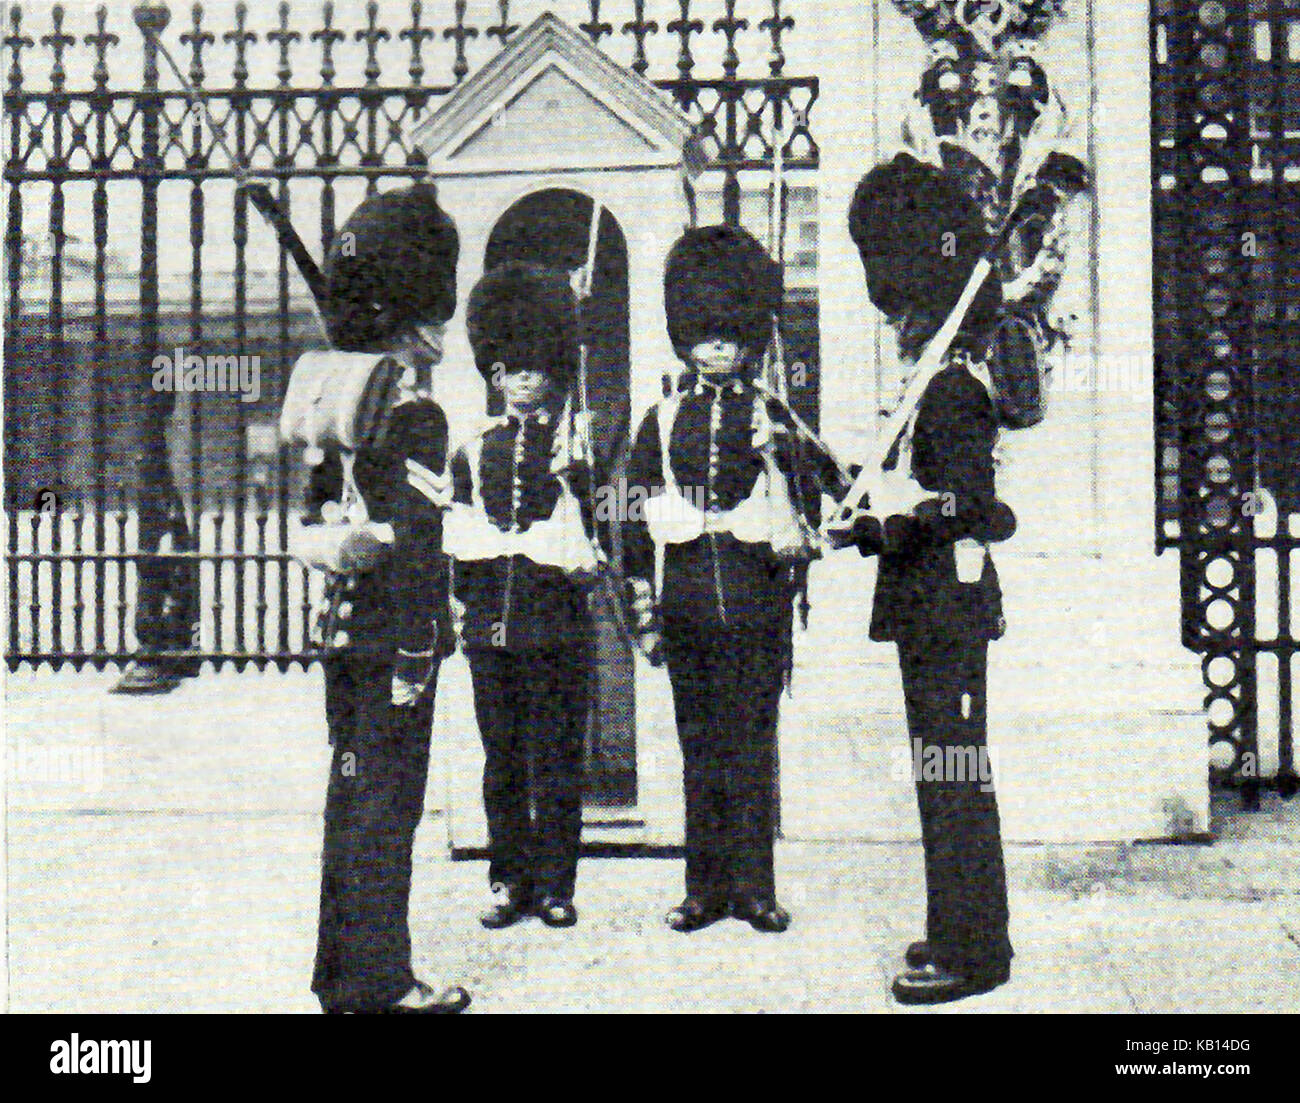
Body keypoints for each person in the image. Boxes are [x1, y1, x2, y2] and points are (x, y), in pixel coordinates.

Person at [289, 181, 469, 1014]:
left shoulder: (338, 402)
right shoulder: (418, 413)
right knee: (386, 813)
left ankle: (337, 977)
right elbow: (422, 551)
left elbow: (317, 518)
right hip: (397, 638)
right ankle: (384, 983)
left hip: (342, 634)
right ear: (420, 321)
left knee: (348, 799)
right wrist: (418, 650)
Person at [848, 141, 1020, 1005]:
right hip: (932, 609)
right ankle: (958, 928)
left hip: (947, 607)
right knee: (944, 775)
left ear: (928, 303)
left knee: (955, 777)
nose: (894, 322)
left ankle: (976, 949)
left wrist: (890, 524)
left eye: (902, 307)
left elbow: (970, 506)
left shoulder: (954, 388)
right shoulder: (934, 384)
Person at [623, 224, 814, 934]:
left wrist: (782, 455)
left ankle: (755, 888)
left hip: (756, 594)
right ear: (686, 336)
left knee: (752, 743)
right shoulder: (663, 415)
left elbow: (808, 512)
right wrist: (642, 602)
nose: (717, 347)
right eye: (705, 335)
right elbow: (634, 510)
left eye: (729, 335)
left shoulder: (773, 413)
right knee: (699, 746)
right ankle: (704, 887)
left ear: (746, 337)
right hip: (688, 601)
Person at [445, 262, 596, 931]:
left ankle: (557, 883)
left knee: (555, 755)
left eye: (535, 369)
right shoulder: (475, 445)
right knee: (501, 758)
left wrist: (583, 477)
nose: (522, 381)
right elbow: (457, 530)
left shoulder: (576, 441)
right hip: (490, 627)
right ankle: (509, 879)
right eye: (509, 370)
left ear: (554, 374)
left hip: (553, 621)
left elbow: (597, 534)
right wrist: (460, 608)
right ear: (495, 376)